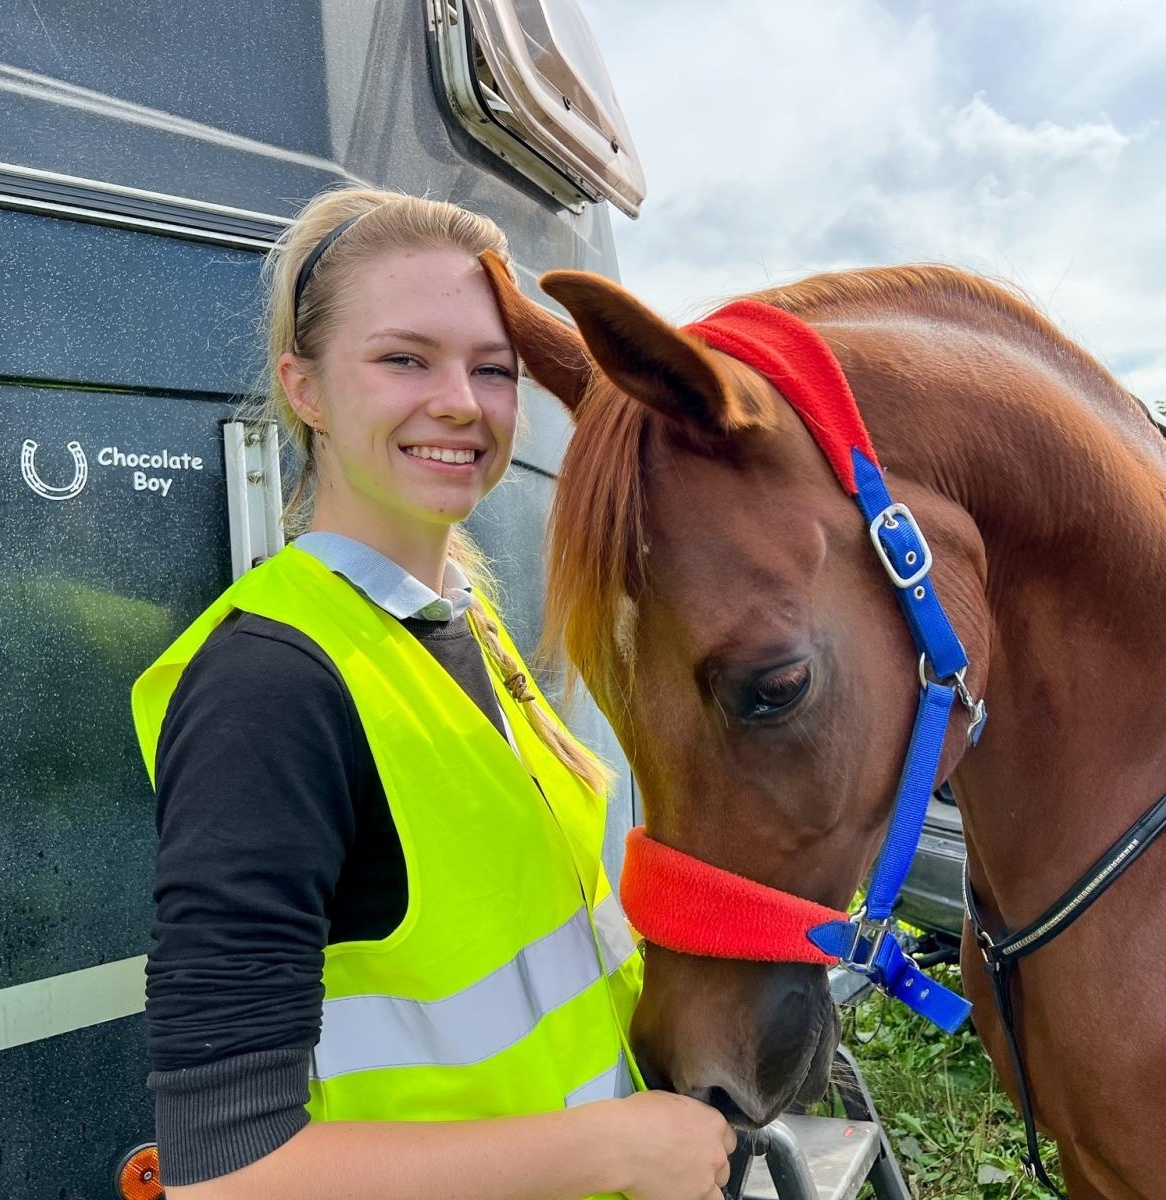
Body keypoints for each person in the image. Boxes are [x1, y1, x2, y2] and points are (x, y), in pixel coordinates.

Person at [130, 186, 735, 1200]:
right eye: (404, 359)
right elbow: (224, 1175)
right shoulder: (269, 689)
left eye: (491, 369)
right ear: (306, 389)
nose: (461, 400)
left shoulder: (461, 621)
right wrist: (616, 1149)